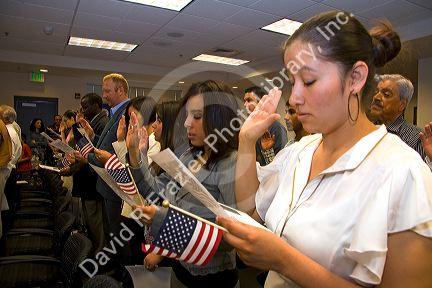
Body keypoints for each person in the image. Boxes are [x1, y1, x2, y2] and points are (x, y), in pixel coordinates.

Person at [219, 11, 432, 288]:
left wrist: (283, 260)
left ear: (355, 78)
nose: (294, 98)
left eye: (308, 81)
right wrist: (246, 141)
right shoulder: (300, 151)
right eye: (292, 82)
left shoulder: (402, 172)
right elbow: (251, 213)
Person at [132, 80, 240, 288]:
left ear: (217, 119)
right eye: (187, 115)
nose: (186, 123)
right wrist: (136, 154)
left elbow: (228, 238)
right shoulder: (189, 154)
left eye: (197, 116)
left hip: (213, 278)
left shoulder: (231, 162)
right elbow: (157, 192)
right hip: (181, 269)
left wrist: (162, 221)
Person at [79, 73, 131, 277]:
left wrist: (87, 159)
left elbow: (122, 152)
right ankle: (114, 268)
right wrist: (93, 136)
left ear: (120, 90)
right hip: (106, 185)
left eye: (107, 91)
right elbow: (108, 144)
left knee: (118, 236)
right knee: (111, 234)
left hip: (115, 188)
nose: (104, 95)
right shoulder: (114, 112)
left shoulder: (126, 112)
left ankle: (123, 275)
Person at [370, 74, 429, 163]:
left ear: (401, 105)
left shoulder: (417, 138)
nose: (376, 97)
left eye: (386, 94)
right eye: (376, 92)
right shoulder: (365, 131)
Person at [244, 86, 288, 165]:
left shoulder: (276, 128)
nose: (245, 104)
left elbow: (282, 163)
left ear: (261, 102)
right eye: (245, 101)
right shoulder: (251, 129)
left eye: (249, 100)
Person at [0, 106, 22, 237]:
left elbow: (7, 156)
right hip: (9, 170)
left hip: (6, 171)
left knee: (6, 213)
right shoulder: (12, 129)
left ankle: (7, 237)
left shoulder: (7, 131)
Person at [150, 101, 187, 175]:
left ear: (172, 126)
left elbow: (153, 185)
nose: (153, 125)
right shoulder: (165, 151)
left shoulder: (179, 158)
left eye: (159, 121)